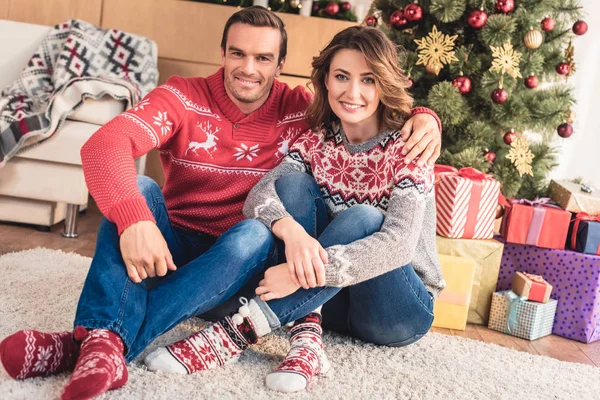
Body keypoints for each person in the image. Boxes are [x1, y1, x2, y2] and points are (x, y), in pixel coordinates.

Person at [0, 7, 441, 399]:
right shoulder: (190, 98)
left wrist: (426, 117)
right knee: (140, 191)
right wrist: (134, 219)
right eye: (238, 54)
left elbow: (366, 100)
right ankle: (100, 344)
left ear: (280, 65)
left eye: (264, 58)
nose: (248, 68)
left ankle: (102, 343)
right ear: (223, 52)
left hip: (264, 269)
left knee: (271, 229)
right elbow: (104, 147)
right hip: (180, 255)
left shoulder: (305, 112)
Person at [142, 25, 445, 394]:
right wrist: (293, 232)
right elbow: (259, 195)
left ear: (384, 83)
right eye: (341, 77)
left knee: (363, 218)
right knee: (293, 185)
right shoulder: (319, 140)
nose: (353, 92)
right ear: (325, 82)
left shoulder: (412, 144)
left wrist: (301, 276)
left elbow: (398, 244)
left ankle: (236, 334)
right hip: (332, 299)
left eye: (368, 79)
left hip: (395, 309)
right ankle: (307, 337)